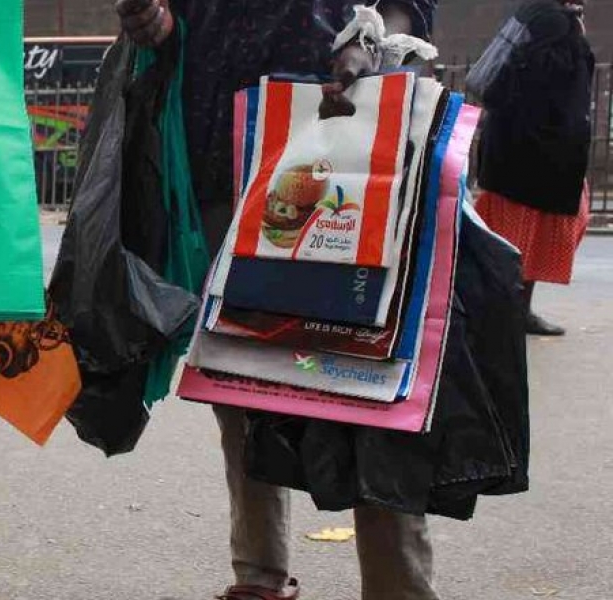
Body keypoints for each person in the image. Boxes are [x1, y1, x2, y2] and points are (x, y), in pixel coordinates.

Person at [115, 1, 441, 599]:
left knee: (364, 379)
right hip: (225, 148)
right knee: (241, 379)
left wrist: (370, 38)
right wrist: (157, 22)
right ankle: (258, 576)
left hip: (350, 133)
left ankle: (399, 589)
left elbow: (408, 5)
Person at [474, 0, 593, 337]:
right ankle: (507, 312)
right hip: (533, 154)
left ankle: (515, 311)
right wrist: (575, 37)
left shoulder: (534, 14)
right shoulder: (553, 22)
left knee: (524, 236)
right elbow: (552, 87)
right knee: (520, 238)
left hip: (521, 152)